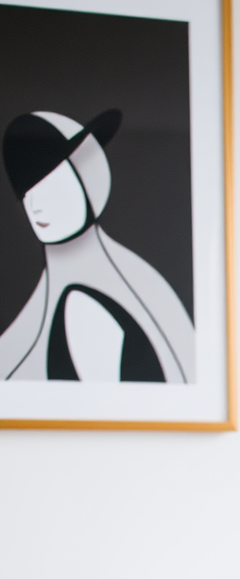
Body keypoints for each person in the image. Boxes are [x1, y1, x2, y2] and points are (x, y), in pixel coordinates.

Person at [0, 108, 195, 382]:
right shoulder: (56, 296)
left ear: (88, 177)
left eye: (51, 185)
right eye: (28, 193)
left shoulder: (113, 290)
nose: (36, 206)